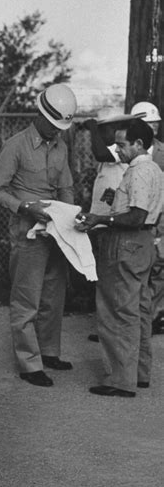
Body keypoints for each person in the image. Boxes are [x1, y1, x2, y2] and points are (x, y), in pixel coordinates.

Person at [0, 83, 77, 387]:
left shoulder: (61, 147)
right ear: (39, 115)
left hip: (56, 229)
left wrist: (69, 214)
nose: (57, 132)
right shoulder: (16, 145)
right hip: (27, 231)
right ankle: (30, 364)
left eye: (61, 127)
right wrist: (25, 208)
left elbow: (66, 185)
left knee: (54, 293)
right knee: (27, 297)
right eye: (53, 125)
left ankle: (49, 352)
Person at [75, 119, 163, 397]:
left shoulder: (137, 172)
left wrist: (101, 218)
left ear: (139, 144)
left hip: (126, 243)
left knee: (116, 311)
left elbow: (136, 215)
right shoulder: (155, 169)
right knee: (139, 309)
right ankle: (139, 373)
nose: (118, 149)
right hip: (145, 242)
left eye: (122, 144)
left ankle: (120, 379)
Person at [82, 107, 142, 343]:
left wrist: (92, 128)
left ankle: (112, 328)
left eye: (105, 128)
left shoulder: (116, 152)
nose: (104, 133)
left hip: (112, 223)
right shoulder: (111, 157)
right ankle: (106, 326)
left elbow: (99, 152)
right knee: (105, 279)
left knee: (112, 279)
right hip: (102, 223)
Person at [131, 102, 164, 334]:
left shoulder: (162, 152)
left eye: (155, 123)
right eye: (149, 123)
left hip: (160, 220)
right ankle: (131, 320)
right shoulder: (127, 151)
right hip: (136, 220)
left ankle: (153, 317)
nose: (153, 128)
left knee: (159, 268)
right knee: (135, 270)